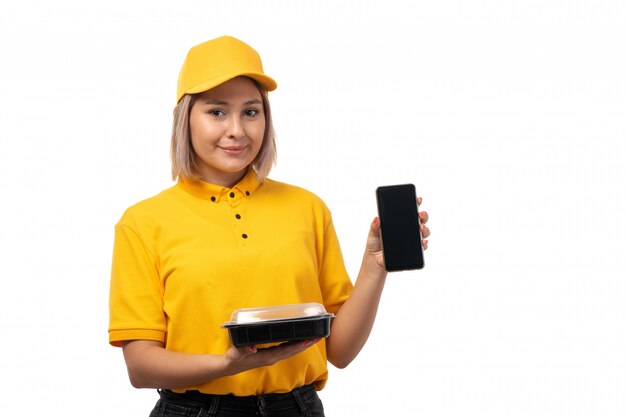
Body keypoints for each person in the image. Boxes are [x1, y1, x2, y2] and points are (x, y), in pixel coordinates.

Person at [108, 35, 430, 417]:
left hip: (297, 408)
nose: (237, 130)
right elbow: (140, 366)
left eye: (250, 111)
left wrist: (375, 266)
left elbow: (339, 351)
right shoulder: (143, 222)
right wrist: (228, 365)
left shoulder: (307, 207)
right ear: (185, 118)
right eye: (216, 112)